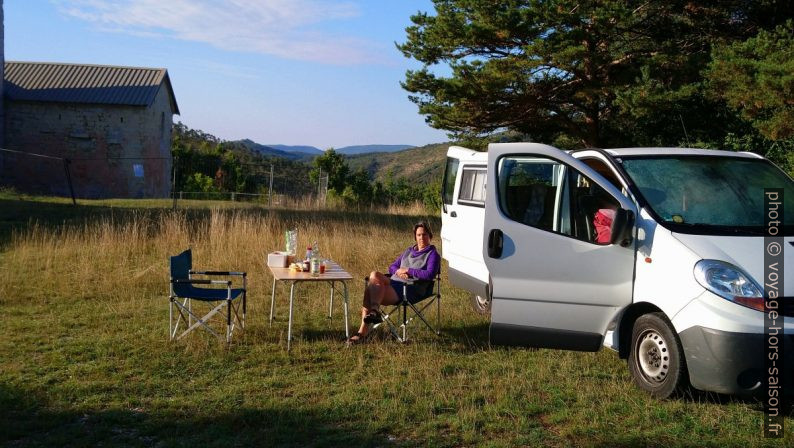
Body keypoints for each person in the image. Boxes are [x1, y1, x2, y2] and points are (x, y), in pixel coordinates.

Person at [347, 220, 440, 345]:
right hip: (395, 281)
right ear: (415, 236)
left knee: (370, 290)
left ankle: (361, 333)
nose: (421, 238)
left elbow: (430, 274)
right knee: (374, 275)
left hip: (411, 288)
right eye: (418, 235)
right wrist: (398, 272)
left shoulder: (432, 254)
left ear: (430, 236)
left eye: (424, 234)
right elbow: (392, 267)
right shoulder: (408, 251)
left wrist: (408, 270)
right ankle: (374, 312)